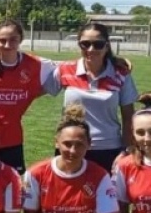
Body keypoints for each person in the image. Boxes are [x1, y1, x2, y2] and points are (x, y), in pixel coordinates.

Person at [0, 20, 60, 174]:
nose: (8, 45)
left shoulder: (38, 65)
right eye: (2, 40)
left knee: (12, 188)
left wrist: (30, 95)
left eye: (13, 39)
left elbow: (66, 71)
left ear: (21, 39)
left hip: (11, 140)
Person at [56, 23, 138, 171]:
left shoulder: (120, 73)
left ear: (107, 46)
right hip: (71, 146)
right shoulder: (64, 69)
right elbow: (32, 68)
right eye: (85, 44)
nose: (91, 49)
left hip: (108, 149)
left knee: (107, 194)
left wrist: (126, 150)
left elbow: (128, 117)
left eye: (98, 44)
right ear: (79, 45)